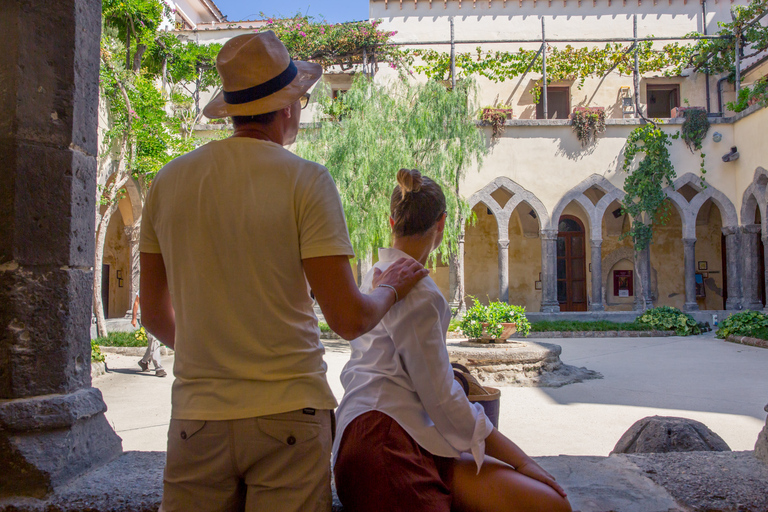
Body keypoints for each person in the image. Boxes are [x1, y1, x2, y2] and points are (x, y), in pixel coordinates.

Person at [138, 32, 428, 512]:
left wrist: (215, 353)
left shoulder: (168, 181)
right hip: (288, 417)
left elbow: (152, 314)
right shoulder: (306, 180)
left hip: (197, 419)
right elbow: (349, 319)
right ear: (289, 106)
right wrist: (390, 289)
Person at [333, 169, 573, 512]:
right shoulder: (417, 292)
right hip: (386, 444)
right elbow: (443, 401)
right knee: (551, 505)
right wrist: (521, 461)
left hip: (390, 436)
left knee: (548, 504)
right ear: (442, 223)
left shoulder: (376, 277)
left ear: (391, 221)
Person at [131, 294, 167, 378]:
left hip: (158, 318)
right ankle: (158, 368)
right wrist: (134, 318)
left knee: (153, 343)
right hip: (147, 319)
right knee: (154, 340)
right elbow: (136, 302)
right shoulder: (144, 287)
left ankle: (143, 362)